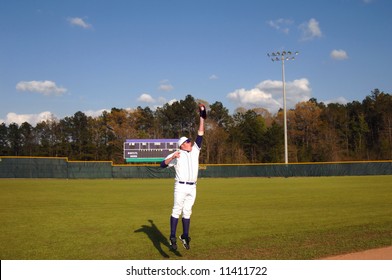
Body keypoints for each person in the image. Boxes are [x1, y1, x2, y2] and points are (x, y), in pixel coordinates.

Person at [160, 104, 207, 250]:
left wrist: (201, 116)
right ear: (182, 145)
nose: (190, 142)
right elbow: (162, 165)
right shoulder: (177, 154)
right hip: (180, 186)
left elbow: (200, 133)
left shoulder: (195, 151)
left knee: (187, 212)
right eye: (187, 141)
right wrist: (172, 157)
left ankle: (185, 236)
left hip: (192, 187)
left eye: (189, 140)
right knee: (176, 210)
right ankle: (172, 237)